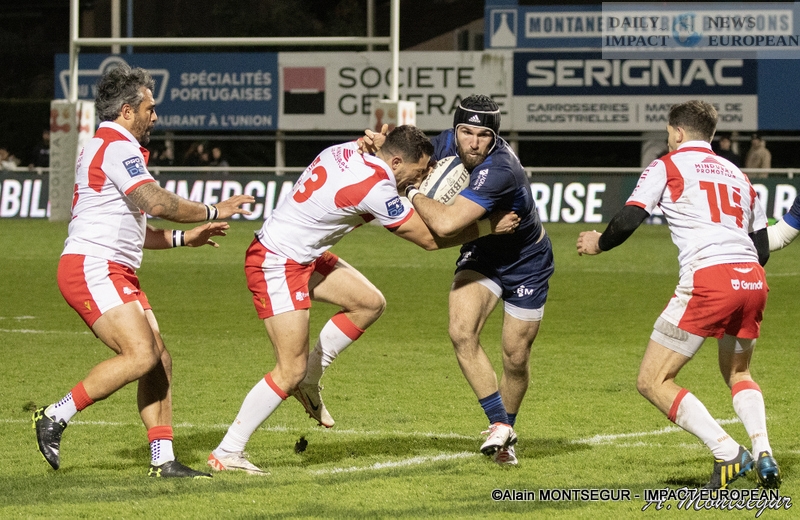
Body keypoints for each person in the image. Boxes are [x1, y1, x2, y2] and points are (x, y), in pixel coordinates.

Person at [206, 125, 520, 475]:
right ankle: (228, 450)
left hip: (301, 254)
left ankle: (311, 377)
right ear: (396, 162)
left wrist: (387, 155)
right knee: (289, 370)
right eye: (418, 172)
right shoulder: (375, 188)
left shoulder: (349, 149)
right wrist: (489, 227)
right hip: (277, 262)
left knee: (369, 303)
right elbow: (431, 240)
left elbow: (373, 153)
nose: (420, 179)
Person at [33, 64, 255, 478]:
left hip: (111, 268)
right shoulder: (117, 147)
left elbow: (134, 229)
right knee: (141, 354)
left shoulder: (108, 145)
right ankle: (54, 415)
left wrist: (184, 238)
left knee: (159, 360)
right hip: (92, 267)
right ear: (127, 111)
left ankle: (163, 459)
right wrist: (214, 209)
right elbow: (155, 202)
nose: (155, 115)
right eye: (149, 108)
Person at [576, 100, 780, 490]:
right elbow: (762, 248)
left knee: (652, 380)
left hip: (710, 279)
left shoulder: (667, 166)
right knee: (739, 373)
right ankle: (763, 452)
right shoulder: (738, 174)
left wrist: (598, 243)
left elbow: (630, 217)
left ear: (678, 132)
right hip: (752, 280)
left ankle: (728, 452)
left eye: (669, 132)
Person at [363, 95, 554, 466]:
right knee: (461, 331)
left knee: (515, 357)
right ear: (455, 130)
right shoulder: (446, 143)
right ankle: (501, 429)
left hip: (526, 261)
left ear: (495, 137)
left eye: (484, 135)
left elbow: (446, 225)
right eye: (466, 132)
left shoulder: (500, 169)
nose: (473, 142)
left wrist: (411, 189)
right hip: (483, 252)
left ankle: (507, 425)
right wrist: (379, 148)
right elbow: (406, 155)